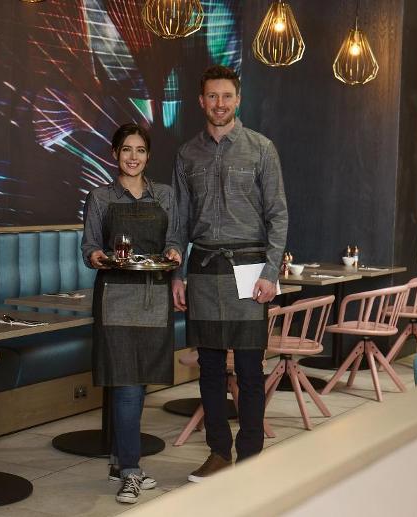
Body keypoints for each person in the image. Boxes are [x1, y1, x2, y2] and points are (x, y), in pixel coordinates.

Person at [171, 65, 288, 482]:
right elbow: (179, 221)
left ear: (238, 100)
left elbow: (278, 215)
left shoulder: (261, 149)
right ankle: (219, 453)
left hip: (249, 267)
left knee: (251, 370)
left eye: (227, 96)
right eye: (212, 97)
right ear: (201, 101)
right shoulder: (187, 154)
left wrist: (271, 272)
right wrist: (176, 275)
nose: (219, 104)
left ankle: (252, 455)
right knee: (209, 368)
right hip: (202, 267)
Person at [81, 122, 183, 504]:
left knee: (138, 384)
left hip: (153, 297)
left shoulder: (166, 195)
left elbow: (174, 239)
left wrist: (175, 254)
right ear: (114, 154)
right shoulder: (100, 197)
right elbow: (90, 245)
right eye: (126, 150)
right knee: (125, 385)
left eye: (140, 150)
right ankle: (130, 470)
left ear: (148, 156)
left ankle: (117, 460)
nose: (133, 157)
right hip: (115, 299)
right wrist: (97, 256)